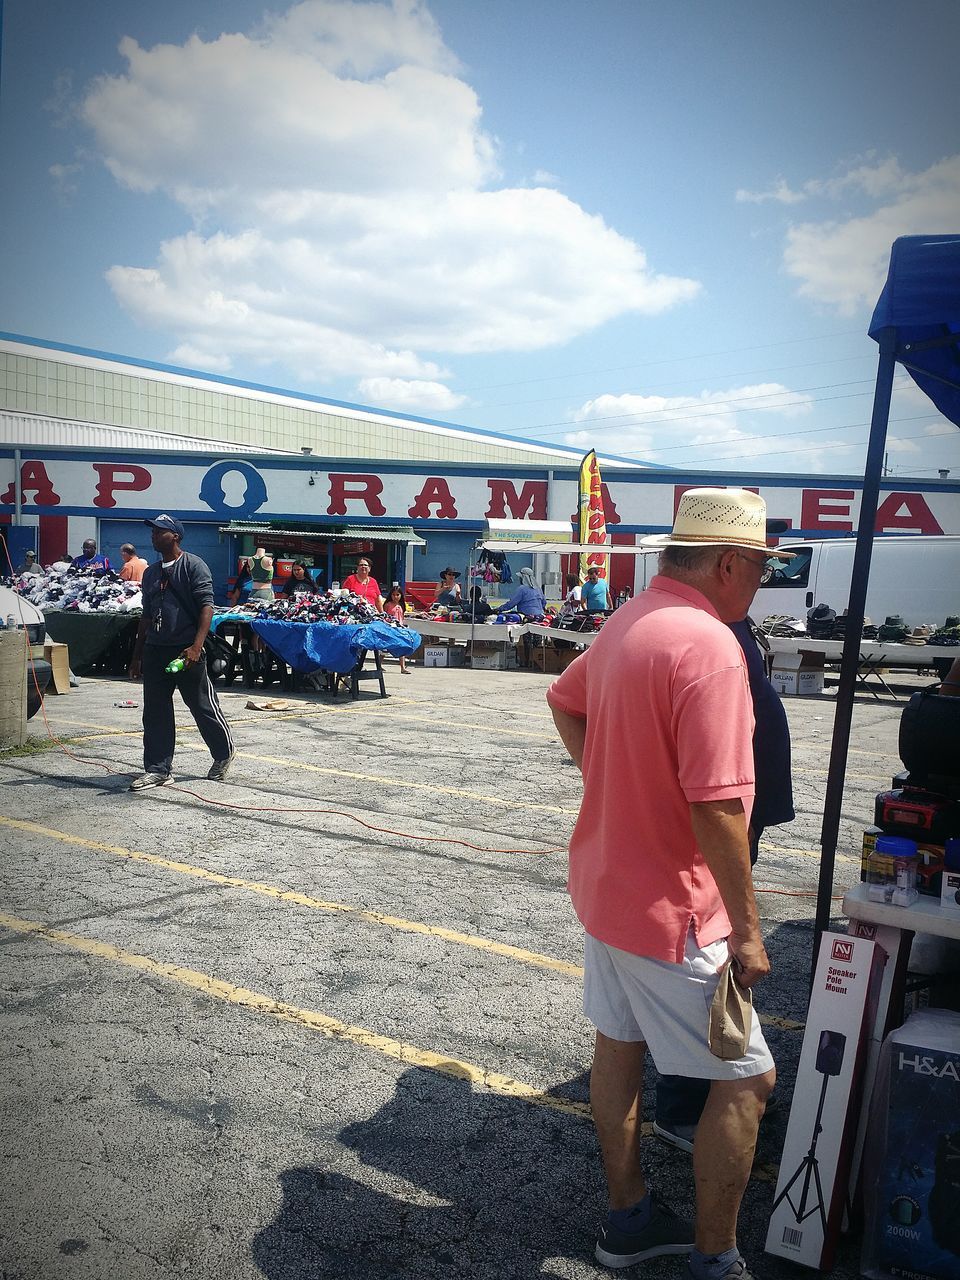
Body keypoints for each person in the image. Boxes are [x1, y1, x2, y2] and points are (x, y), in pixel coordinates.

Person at [546, 488, 794, 1280]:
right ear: (728, 563)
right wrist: (749, 932)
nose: (760, 581)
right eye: (758, 566)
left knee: (617, 1048)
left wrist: (611, 782)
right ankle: (716, 1260)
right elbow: (719, 807)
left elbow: (564, 699)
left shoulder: (629, 619)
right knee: (750, 1080)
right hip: (673, 911)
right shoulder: (711, 645)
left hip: (609, 888)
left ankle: (629, 1221)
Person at [654, 596, 795, 1155]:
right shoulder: (700, 624)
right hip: (717, 819)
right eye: (757, 561)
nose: (763, 576)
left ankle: (712, 1086)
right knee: (710, 962)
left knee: (715, 961)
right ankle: (687, 1104)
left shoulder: (725, 616)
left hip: (740, 810)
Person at [128, 514, 234, 790]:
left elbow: (207, 607)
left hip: (186, 651)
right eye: (152, 531)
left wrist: (196, 647)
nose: (153, 536)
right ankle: (158, 769)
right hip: (156, 650)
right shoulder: (151, 573)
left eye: (159, 531)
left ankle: (223, 754)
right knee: (155, 711)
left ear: (175, 536)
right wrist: (137, 655)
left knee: (201, 705)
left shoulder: (193, 566)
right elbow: (147, 616)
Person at [383, 585, 411, 674]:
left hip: (400, 628)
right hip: (390, 628)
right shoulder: (388, 605)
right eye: (394, 595)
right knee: (385, 648)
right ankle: (379, 664)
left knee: (401, 646)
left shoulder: (402, 605)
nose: (395, 597)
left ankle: (402, 667)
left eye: (397, 594)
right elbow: (383, 616)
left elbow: (401, 617)